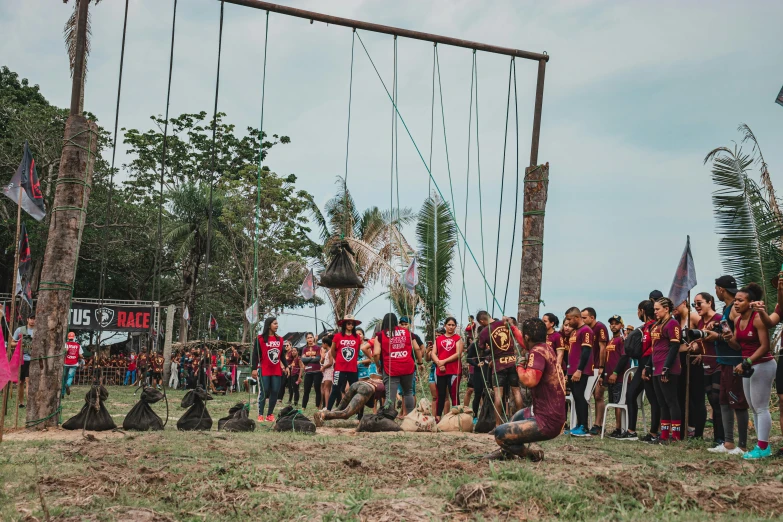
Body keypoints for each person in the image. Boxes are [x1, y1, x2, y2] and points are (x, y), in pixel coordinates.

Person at [486, 318, 566, 461]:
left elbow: (529, 380)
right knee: (515, 418)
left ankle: (531, 454)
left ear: (527, 337)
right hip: (550, 415)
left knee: (500, 434)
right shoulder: (546, 347)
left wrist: (519, 366)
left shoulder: (537, 353)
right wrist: (513, 328)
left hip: (546, 421)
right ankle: (506, 452)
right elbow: (525, 343)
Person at [727, 283, 776, 459]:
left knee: (761, 407)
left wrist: (747, 362)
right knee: (754, 408)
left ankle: (763, 448)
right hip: (748, 366)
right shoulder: (738, 320)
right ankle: (760, 445)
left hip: (762, 364)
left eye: (740, 300)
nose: (736, 304)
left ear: (751, 302)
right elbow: (737, 345)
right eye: (735, 301)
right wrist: (727, 338)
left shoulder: (757, 318)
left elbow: (765, 347)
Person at [616, 300, 660, 441]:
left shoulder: (654, 326)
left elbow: (654, 347)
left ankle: (654, 433)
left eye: (638, 310)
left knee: (654, 399)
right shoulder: (644, 327)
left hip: (650, 365)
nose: (637, 313)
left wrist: (648, 366)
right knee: (631, 394)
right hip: (642, 365)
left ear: (642, 311)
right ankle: (631, 431)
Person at [643, 298, 682, 443]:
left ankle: (676, 435)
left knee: (671, 401)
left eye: (657, 309)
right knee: (661, 402)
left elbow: (674, 347)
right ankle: (664, 435)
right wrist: (648, 366)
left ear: (666, 309)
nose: (655, 312)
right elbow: (654, 349)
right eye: (654, 309)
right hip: (656, 367)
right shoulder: (656, 325)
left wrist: (666, 368)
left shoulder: (672, 324)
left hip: (668, 368)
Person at [477, 311, 524, 428]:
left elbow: (480, 350)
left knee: (498, 395)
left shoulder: (484, 332)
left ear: (482, 321)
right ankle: (520, 423)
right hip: (512, 362)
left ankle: (497, 426)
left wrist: (488, 350)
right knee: (516, 392)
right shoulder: (505, 322)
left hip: (499, 365)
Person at [690, 292, 725, 447]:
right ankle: (717, 437)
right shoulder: (699, 323)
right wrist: (695, 346)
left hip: (719, 363)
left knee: (717, 401)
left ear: (710, 302)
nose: (696, 307)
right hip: (706, 365)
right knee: (711, 400)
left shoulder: (718, 318)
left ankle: (721, 437)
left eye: (699, 303)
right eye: (694, 304)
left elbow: (727, 337)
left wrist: (716, 332)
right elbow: (700, 343)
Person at [372, 312, 423, 414]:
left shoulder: (380, 335)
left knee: (390, 395)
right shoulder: (407, 333)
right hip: (408, 367)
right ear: (396, 322)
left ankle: (388, 419)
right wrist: (420, 363)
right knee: (408, 392)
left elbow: (376, 354)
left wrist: (378, 365)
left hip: (390, 368)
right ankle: (410, 417)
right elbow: (417, 349)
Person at [565, 307, 594, 437]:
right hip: (572, 370)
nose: (568, 322)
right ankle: (578, 424)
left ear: (577, 318)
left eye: (570, 319)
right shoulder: (575, 332)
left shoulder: (586, 331)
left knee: (580, 396)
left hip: (580, 370)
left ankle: (584, 426)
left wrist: (579, 369)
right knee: (575, 397)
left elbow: (586, 352)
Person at [313, 375, 386, 426]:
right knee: (346, 413)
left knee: (339, 408)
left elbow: (362, 403)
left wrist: (360, 418)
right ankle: (322, 415)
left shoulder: (379, 381)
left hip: (357, 384)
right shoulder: (388, 387)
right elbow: (390, 401)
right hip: (366, 388)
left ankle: (323, 415)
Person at [251, 317, 284, 422]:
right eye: (275, 323)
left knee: (275, 391)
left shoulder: (280, 339)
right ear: (269, 325)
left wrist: (287, 366)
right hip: (264, 369)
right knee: (264, 391)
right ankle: (260, 414)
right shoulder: (260, 339)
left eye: (277, 323)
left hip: (276, 370)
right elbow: (255, 355)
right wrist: (254, 369)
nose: (277, 325)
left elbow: (282, 355)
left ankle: (270, 414)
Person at [582, 307, 609, 436]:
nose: (582, 320)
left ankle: (598, 424)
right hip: (589, 367)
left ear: (592, 317)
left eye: (584, 317)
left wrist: (602, 367)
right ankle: (585, 423)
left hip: (598, 367)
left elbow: (603, 347)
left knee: (598, 395)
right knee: (588, 395)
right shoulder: (585, 330)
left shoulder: (600, 327)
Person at [432, 317, 464, 420]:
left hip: (454, 370)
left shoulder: (458, 338)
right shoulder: (438, 339)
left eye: (453, 325)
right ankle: (438, 418)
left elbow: (458, 353)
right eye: (449, 325)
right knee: (440, 395)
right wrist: (438, 363)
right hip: (440, 371)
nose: (450, 327)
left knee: (454, 394)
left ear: (455, 326)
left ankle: (457, 419)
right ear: (445, 325)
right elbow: (433, 353)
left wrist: (444, 361)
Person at [328, 315, 362, 410]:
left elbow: (357, 351)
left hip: (352, 368)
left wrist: (353, 361)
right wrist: (338, 359)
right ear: (344, 324)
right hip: (340, 368)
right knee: (335, 389)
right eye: (348, 323)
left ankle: (358, 413)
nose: (350, 325)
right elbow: (333, 350)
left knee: (355, 390)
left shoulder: (357, 337)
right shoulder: (338, 336)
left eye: (352, 323)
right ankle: (328, 410)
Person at [602, 316, 627, 438]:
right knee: (613, 403)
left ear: (621, 326)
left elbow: (623, 357)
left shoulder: (622, 340)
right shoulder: (611, 340)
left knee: (618, 404)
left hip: (620, 378)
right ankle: (618, 427)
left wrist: (616, 373)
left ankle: (620, 429)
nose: (613, 326)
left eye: (616, 324)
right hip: (610, 377)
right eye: (611, 324)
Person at [10, 315, 35, 408]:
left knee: (29, 381)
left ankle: (29, 403)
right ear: (27, 319)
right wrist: (19, 343)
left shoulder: (38, 331)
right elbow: (12, 343)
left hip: (32, 359)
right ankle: (21, 402)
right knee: (21, 382)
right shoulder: (20, 330)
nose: (33, 321)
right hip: (21, 360)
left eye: (34, 319)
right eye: (31, 318)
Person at [300, 333, 323, 410]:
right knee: (306, 390)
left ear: (313, 338)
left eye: (311, 337)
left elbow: (318, 358)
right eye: (308, 338)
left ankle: (317, 406)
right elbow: (303, 359)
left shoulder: (318, 347)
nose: (310, 339)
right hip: (308, 372)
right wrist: (312, 357)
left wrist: (308, 358)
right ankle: (303, 407)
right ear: (306, 339)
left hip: (317, 371)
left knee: (317, 389)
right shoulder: (304, 349)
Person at [61, 332, 82, 398]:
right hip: (74, 364)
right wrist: (81, 357)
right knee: (70, 377)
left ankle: (62, 393)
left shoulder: (66, 344)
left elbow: (63, 353)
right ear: (74, 337)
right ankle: (68, 384)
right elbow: (80, 355)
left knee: (64, 378)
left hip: (65, 363)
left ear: (68, 338)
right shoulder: (78, 345)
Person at [320, 336, 335, 410]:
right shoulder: (327, 352)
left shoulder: (330, 352)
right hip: (327, 372)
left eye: (322, 344)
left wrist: (323, 367)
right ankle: (327, 406)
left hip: (329, 371)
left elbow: (331, 363)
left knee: (327, 389)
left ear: (326, 344)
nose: (322, 345)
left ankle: (327, 406)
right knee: (326, 389)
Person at [285, 342, 302, 407]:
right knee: (293, 388)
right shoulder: (294, 359)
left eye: (295, 351)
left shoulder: (298, 358)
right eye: (292, 351)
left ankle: (296, 402)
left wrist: (299, 377)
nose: (293, 352)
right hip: (292, 375)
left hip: (296, 375)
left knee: (296, 389)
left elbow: (302, 367)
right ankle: (294, 401)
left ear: (297, 352)